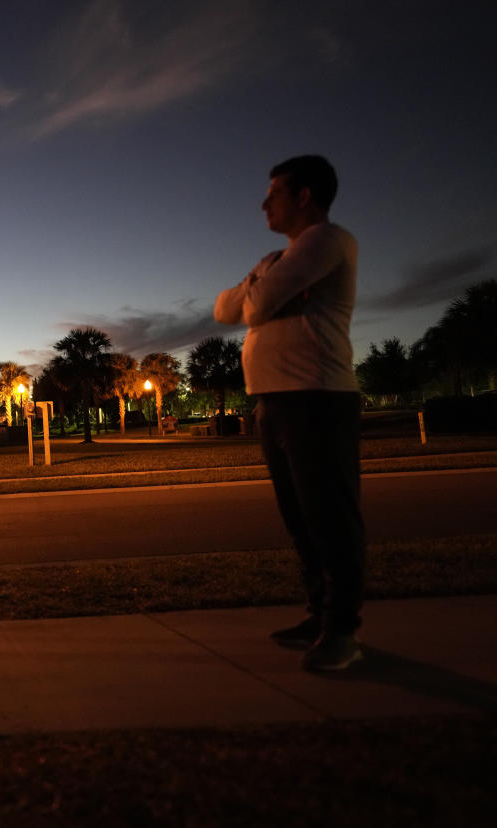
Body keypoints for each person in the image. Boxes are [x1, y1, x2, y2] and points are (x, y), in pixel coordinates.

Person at [214, 154, 364, 672]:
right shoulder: (278, 259)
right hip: (274, 402)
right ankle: (319, 616)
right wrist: (262, 282)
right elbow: (223, 308)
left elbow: (250, 309)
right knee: (300, 521)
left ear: (304, 196)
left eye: (274, 192)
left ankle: (343, 632)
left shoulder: (327, 240)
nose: (263, 202)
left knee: (330, 518)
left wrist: (258, 288)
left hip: (316, 398)